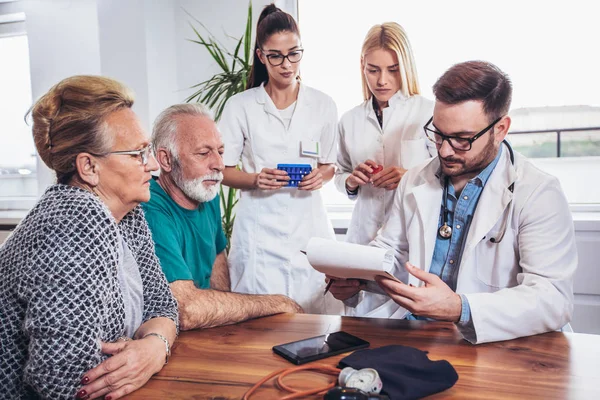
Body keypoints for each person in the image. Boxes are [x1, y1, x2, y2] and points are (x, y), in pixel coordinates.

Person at [329, 61, 577, 344]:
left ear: (501, 129)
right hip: (422, 336)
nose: (445, 150)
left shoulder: (538, 192)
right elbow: (392, 253)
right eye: (439, 134)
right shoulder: (415, 181)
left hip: (500, 344)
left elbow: (553, 298)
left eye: (461, 139)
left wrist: (460, 308)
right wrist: (355, 282)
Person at [0, 76, 178, 399]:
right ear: (89, 167)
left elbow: (164, 306)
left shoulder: (128, 214)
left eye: (148, 150)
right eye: (138, 154)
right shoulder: (74, 220)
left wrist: (153, 349)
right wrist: (139, 352)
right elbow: (61, 381)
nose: (152, 165)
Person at [219, 4, 342, 314]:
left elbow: (330, 164)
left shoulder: (323, 105)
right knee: (260, 327)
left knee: (318, 320)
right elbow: (221, 170)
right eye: (276, 56)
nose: (287, 64)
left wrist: (321, 176)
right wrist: (255, 179)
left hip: (308, 229)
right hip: (258, 234)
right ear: (261, 55)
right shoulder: (241, 106)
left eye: (294, 54)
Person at [142, 104, 303, 330]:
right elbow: (186, 310)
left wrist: (225, 312)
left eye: (220, 151)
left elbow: (217, 255)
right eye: (203, 153)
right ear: (166, 160)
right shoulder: (150, 210)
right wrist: (278, 303)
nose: (218, 165)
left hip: (206, 332)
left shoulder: (204, 192)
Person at [333, 22, 434, 317]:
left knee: (405, 324)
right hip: (363, 233)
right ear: (362, 67)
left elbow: (447, 177)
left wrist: (408, 176)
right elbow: (339, 174)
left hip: (408, 240)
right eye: (373, 69)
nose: (382, 80)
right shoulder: (350, 119)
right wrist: (351, 180)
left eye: (392, 69)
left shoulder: (427, 112)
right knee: (357, 324)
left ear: (406, 66)